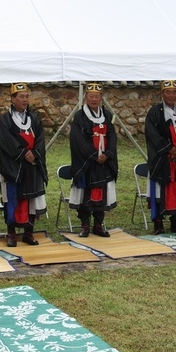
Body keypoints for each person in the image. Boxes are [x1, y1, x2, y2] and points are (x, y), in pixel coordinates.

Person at [0, 83, 48, 247]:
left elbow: (40, 138)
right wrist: (23, 153)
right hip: (14, 166)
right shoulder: (5, 119)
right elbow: (5, 141)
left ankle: (28, 233)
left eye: (27, 96)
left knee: (31, 198)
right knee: (12, 198)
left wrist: (35, 154)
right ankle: (11, 233)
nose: (25, 100)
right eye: (21, 97)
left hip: (31, 165)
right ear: (13, 99)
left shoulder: (33, 118)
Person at [145, 80, 176, 235]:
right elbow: (152, 134)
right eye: (168, 92)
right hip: (162, 160)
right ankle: (158, 224)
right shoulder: (154, 112)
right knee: (160, 191)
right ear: (162, 94)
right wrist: (169, 148)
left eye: (174, 92)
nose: (171, 95)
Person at [69, 82, 118, 237]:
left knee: (101, 192)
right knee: (86, 192)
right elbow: (77, 140)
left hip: (104, 161)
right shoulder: (79, 116)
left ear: (101, 98)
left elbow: (112, 135)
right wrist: (93, 155)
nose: (94, 99)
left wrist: (107, 154)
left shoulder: (107, 115)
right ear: (86, 98)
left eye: (97, 96)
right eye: (91, 96)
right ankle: (84, 225)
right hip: (87, 161)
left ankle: (98, 224)